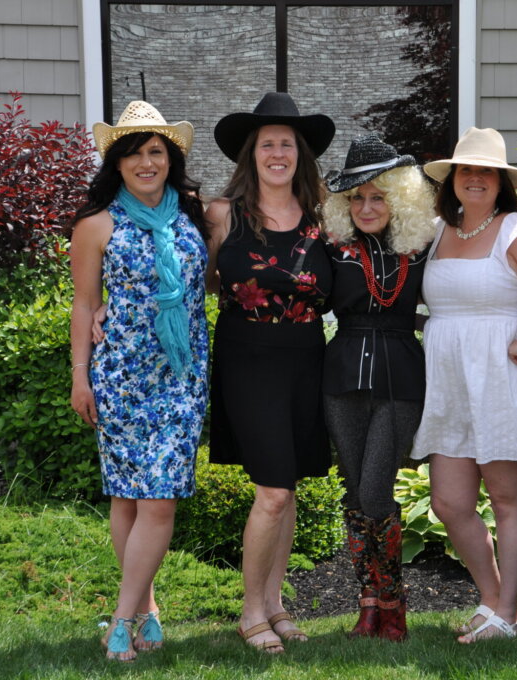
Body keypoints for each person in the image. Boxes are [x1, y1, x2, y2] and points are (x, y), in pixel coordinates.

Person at [410, 127, 517, 643]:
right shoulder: (439, 230)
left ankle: (507, 612)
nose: (476, 179)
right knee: (449, 502)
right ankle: (491, 598)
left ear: (502, 181)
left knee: (508, 501)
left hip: (504, 378)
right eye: (468, 170)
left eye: (487, 171)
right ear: (453, 179)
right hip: (450, 381)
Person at [69, 101, 208, 661]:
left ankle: (122, 619)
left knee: (159, 500)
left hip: (180, 373)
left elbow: (211, 285)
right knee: (127, 497)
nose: (146, 162)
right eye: (134, 154)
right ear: (117, 164)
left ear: (170, 160)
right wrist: (80, 377)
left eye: (156, 152)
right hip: (121, 375)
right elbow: (84, 306)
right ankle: (143, 612)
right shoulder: (96, 224)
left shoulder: (195, 216)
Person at [205, 92, 335, 654]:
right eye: (267, 145)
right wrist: (111, 305)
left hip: (307, 358)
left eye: (287, 144)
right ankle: (251, 611)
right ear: (250, 156)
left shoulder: (326, 219)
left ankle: (277, 604)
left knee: (292, 487)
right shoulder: (221, 214)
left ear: (300, 155)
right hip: (247, 357)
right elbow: (188, 275)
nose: (277, 153)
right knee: (273, 491)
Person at [320, 134, 435, 641]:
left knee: (375, 490)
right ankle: (369, 606)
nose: (367, 207)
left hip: (401, 376)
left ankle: (393, 601)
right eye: (357, 198)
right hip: (341, 376)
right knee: (354, 493)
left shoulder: (425, 249)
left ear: (401, 198)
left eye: (378, 195)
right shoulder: (332, 250)